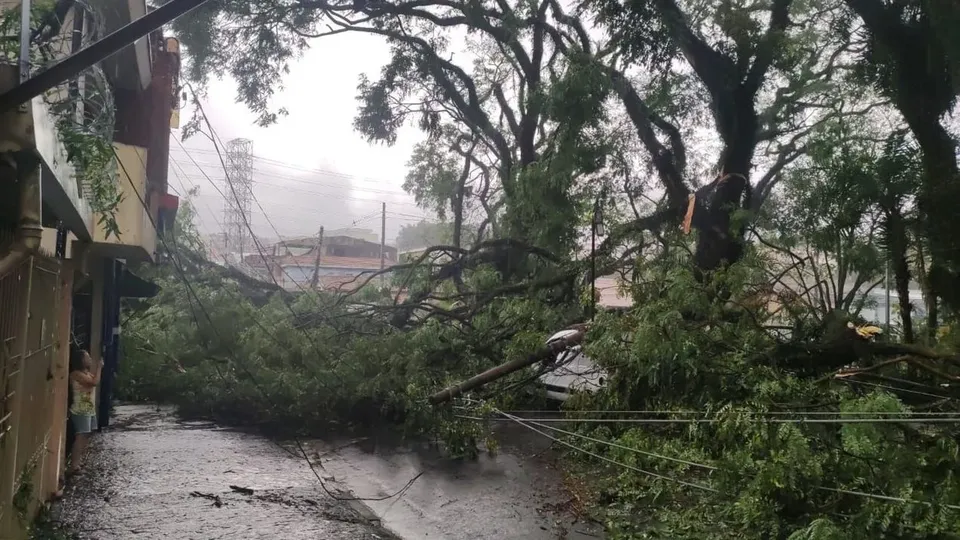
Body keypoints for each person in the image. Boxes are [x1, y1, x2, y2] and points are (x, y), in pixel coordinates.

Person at [68, 346, 101, 475]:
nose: (90, 359)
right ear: (80, 360)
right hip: (80, 410)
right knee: (81, 436)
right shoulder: (76, 374)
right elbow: (94, 382)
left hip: (88, 409)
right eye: (87, 357)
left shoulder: (86, 373)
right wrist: (99, 367)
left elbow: (94, 380)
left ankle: (78, 461)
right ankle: (74, 465)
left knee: (86, 436)